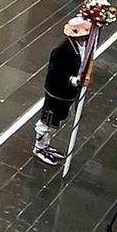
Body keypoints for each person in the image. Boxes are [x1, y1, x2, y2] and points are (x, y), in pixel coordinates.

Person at [33, 17, 90, 165]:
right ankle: (39, 147)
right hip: (57, 92)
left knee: (57, 120)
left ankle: (45, 145)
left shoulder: (83, 46)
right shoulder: (62, 50)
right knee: (49, 120)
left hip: (68, 93)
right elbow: (55, 73)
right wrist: (74, 80)